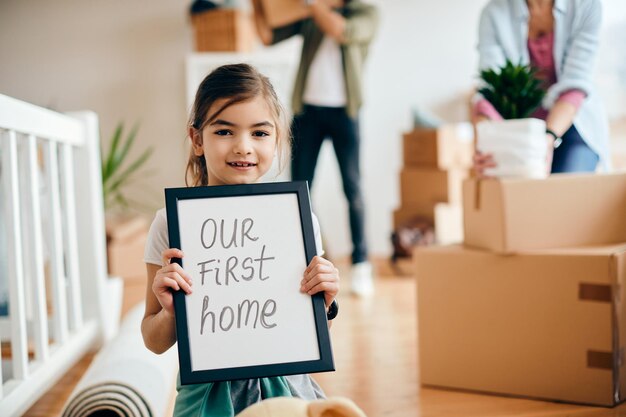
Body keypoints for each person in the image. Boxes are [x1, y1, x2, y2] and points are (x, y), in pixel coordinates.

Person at [141, 63, 340, 417]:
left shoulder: (297, 219)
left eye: (260, 133)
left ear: (277, 138)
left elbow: (303, 326)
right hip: (206, 400)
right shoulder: (169, 225)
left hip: (289, 390)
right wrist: (170, 311)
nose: (243, 147)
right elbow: (154, 341)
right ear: (197, 140)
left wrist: (324, 300)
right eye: (225, 131)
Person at [251, 0, 379, 296]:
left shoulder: (365, 13)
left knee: (353, 188)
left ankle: (361, 264)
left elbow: (341, 30)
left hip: (345, 113)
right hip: (307, 112)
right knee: (300, 190)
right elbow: (267, 36)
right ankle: (315, 258)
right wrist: (257, 4)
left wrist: (312, 5)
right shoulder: (310, 17)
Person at [472, 0, 611, 176]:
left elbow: (577, 83)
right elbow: (491, 88)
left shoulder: (586, 5)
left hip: (575, 125)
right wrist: (487, 140)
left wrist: (547, 137)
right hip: (519, 131)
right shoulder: (493, 13)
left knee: (565, 193)